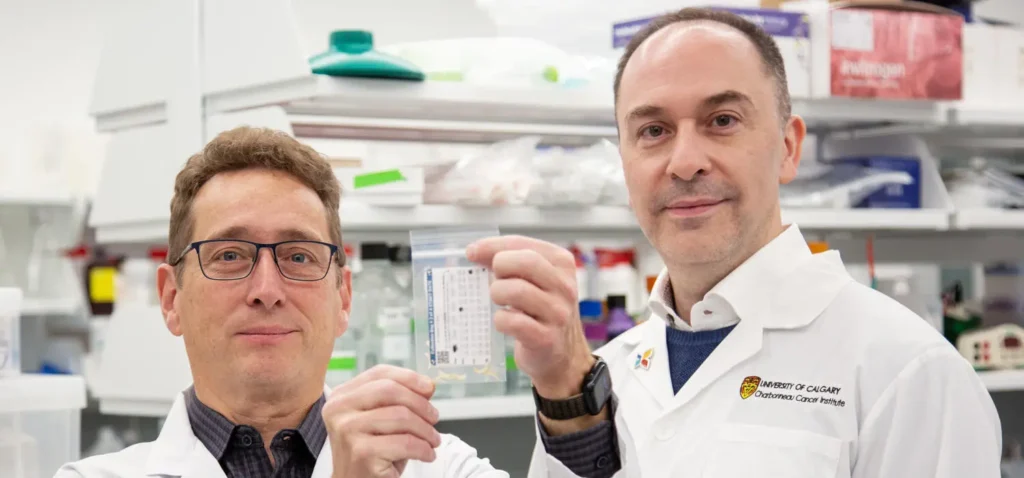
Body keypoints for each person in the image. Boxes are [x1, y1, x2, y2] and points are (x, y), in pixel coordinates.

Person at [468, 8, 1003, 478]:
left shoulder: (907, 370)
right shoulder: (607, 373)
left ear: (788, 148)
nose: (684, 162)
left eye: (722, 121)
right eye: (653, 130)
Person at [55, 127, 520, 478]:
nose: (267, 289)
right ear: (171, 298)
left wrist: (559, 391)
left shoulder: (442, 467)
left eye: (299, 256)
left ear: (343, 297)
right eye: (230, 255)